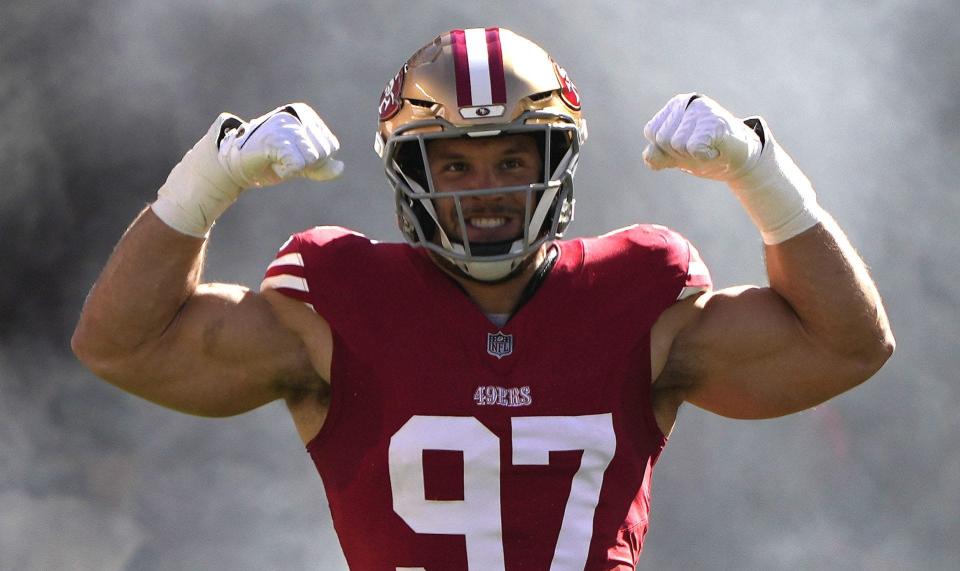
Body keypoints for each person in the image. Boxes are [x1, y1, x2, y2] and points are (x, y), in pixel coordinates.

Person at [72, 27, 894, 570]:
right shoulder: (340, 299)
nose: (486, 191)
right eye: (455, 164)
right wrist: (207, 179)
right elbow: (122, 345)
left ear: (556, 158)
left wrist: (760, 172)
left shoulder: (638, 289)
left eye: (510, 159)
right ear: (412, 174)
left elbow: (847, 345)